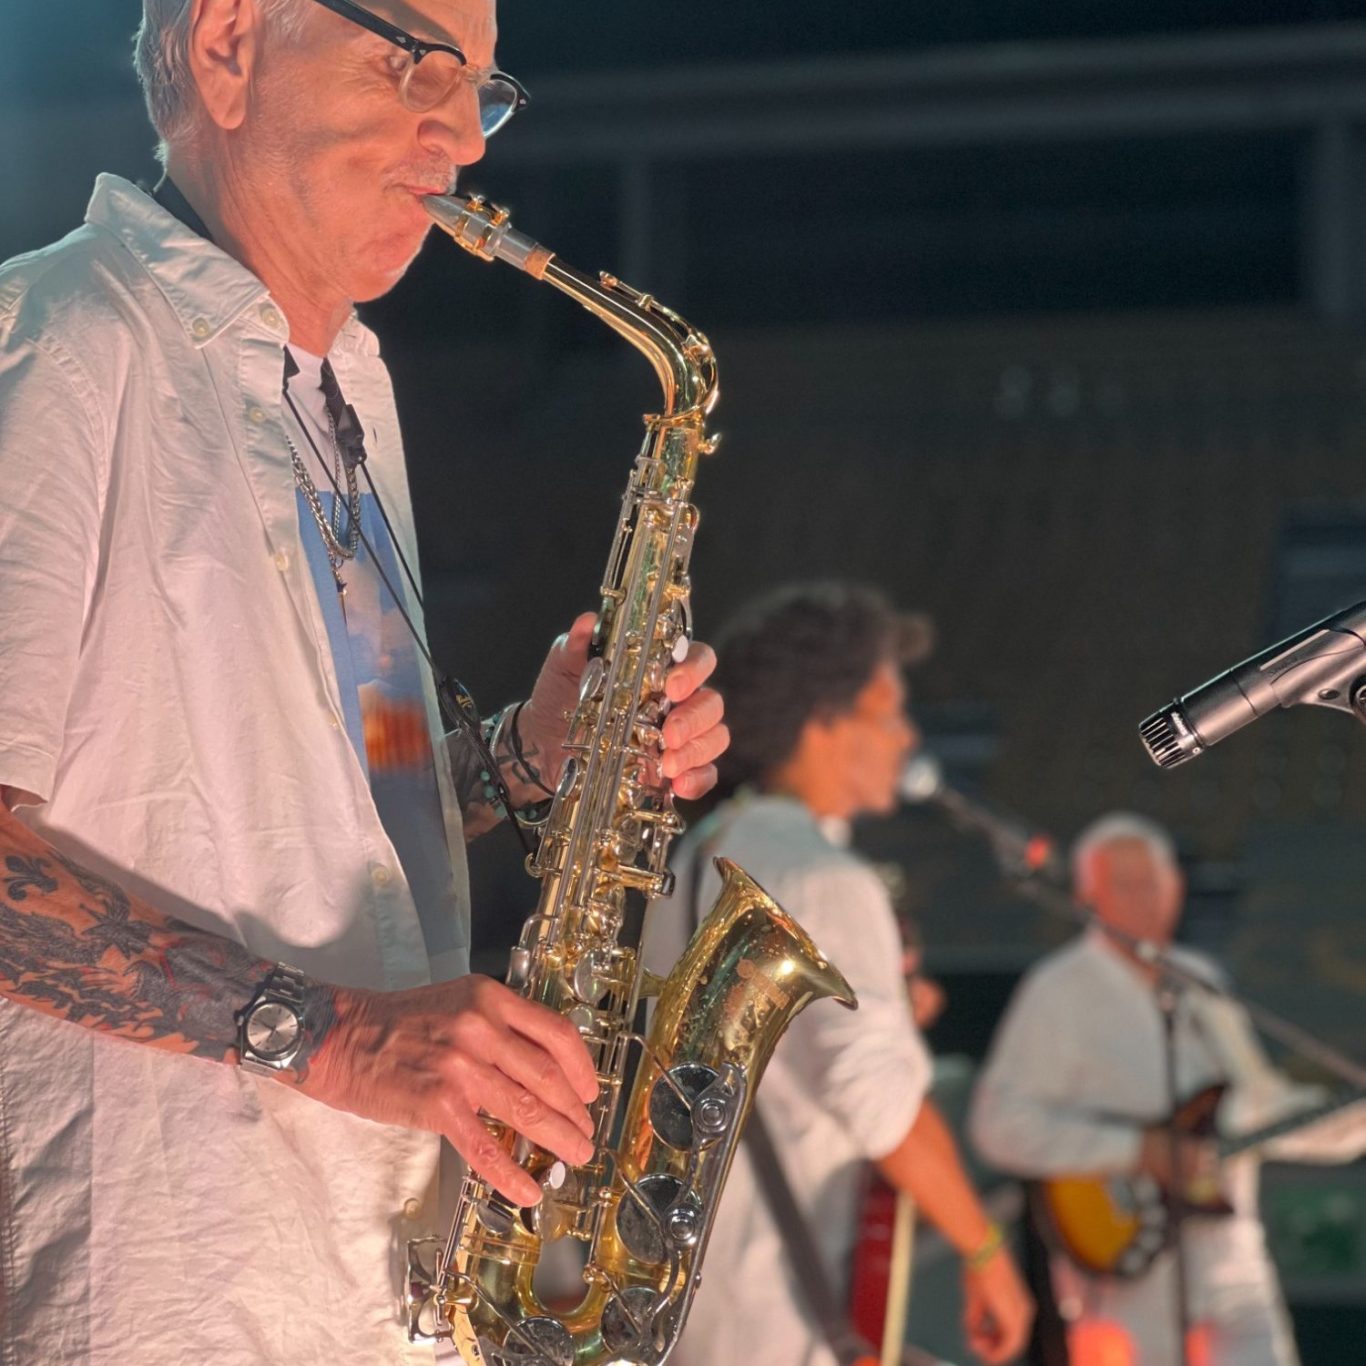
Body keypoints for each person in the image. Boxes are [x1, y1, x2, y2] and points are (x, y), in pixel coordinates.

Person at [0, 0, 730, 1360]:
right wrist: (327, 1038)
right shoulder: (63, 335)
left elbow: (323, 800)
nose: (458, 138)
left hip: (370, 1268)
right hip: (166, 1284)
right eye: (416, 64)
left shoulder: (344, 382)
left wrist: (525, 756)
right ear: (227, 48)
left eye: (479, 89)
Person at [645, 582, 1034, 1366]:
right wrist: (987, 1252)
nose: (905, 738)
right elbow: (878, 1102)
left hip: (689, 1302)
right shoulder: (829, 879)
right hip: (782, 1312)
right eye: (887, 713)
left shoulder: (699, 855)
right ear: (823, 723)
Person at [969, 813, 1366, 1366]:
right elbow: (1001, 1126)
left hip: (1231, 1254)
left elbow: (1259, 1107)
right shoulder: (1057, 990)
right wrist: (1138, 1151)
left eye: (1156, 881)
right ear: (1088, 895)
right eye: (1124, 885)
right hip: (1126, 1262)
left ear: (1177, 889)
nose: (1144, 899)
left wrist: (1352, 1122)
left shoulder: (1201, 979)